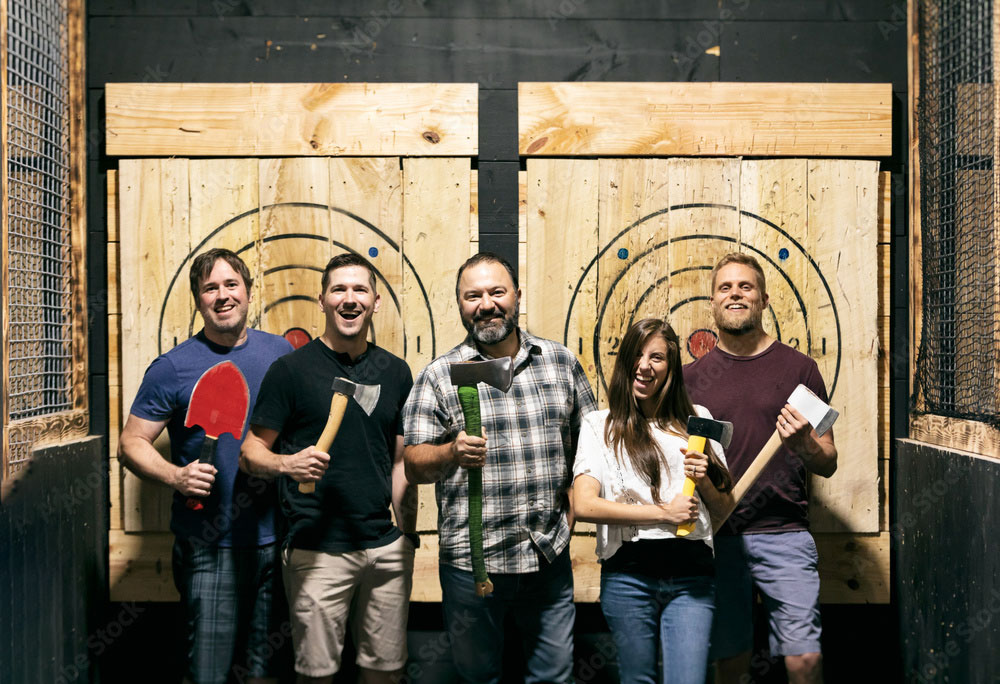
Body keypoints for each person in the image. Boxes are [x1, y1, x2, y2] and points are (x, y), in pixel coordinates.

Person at [402, 252, 597, 683]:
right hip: (473, 565)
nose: (486, 304)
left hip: (547, 555)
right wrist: (451, 452)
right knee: (479, 678)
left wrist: (577, 501)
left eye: (496, 292)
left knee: (553, 677)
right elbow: (414, 464)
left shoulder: (560, 363)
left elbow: (593, 447)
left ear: (517, 296)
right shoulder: (438, 376)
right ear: (459, 305)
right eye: (473, 295)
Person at [240, 252, 417, 684]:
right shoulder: (290, 371)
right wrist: (287, 462)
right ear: (322, 300)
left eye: (360, 289)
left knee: (386, 672)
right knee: (317, 676)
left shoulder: (395, 372)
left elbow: (399, 462)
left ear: (376, 301)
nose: (349, 299)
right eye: (339, 289)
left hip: (385, 548)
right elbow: (249, 452)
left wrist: (406, 535)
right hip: (317, 549)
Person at [119, 248, 293, 684]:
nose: (222, 295)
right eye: (210, 288)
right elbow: (131, 443)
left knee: (263, 671)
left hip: (277, 540)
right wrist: (175, 476)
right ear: (198, 299)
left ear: (249, 293)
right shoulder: (173, 367)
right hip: (209, 545)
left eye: (231, 285)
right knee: (208, 674)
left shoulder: (280, 355)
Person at [683, 252, 838, 684]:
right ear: (712, 303)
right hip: (717, 537)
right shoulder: (688, 378)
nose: (735, 294)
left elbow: (829, 460)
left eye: (745, 286)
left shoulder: (801, 370)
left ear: (764, 299)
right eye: (725, 288)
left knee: (804, 661)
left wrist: (804, 443)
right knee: (730, 663)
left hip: (784, 533)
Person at [573, 318, 733, 684]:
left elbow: (724, 509)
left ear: (672, 368)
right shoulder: (600, 426)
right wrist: (664, 512)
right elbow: (584, 505)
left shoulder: (699, 421)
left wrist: (704, 477)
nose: (645, 365)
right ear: (626, 360)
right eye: (638, 355)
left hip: (693, 578)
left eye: (657, 357)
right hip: (629, 576)